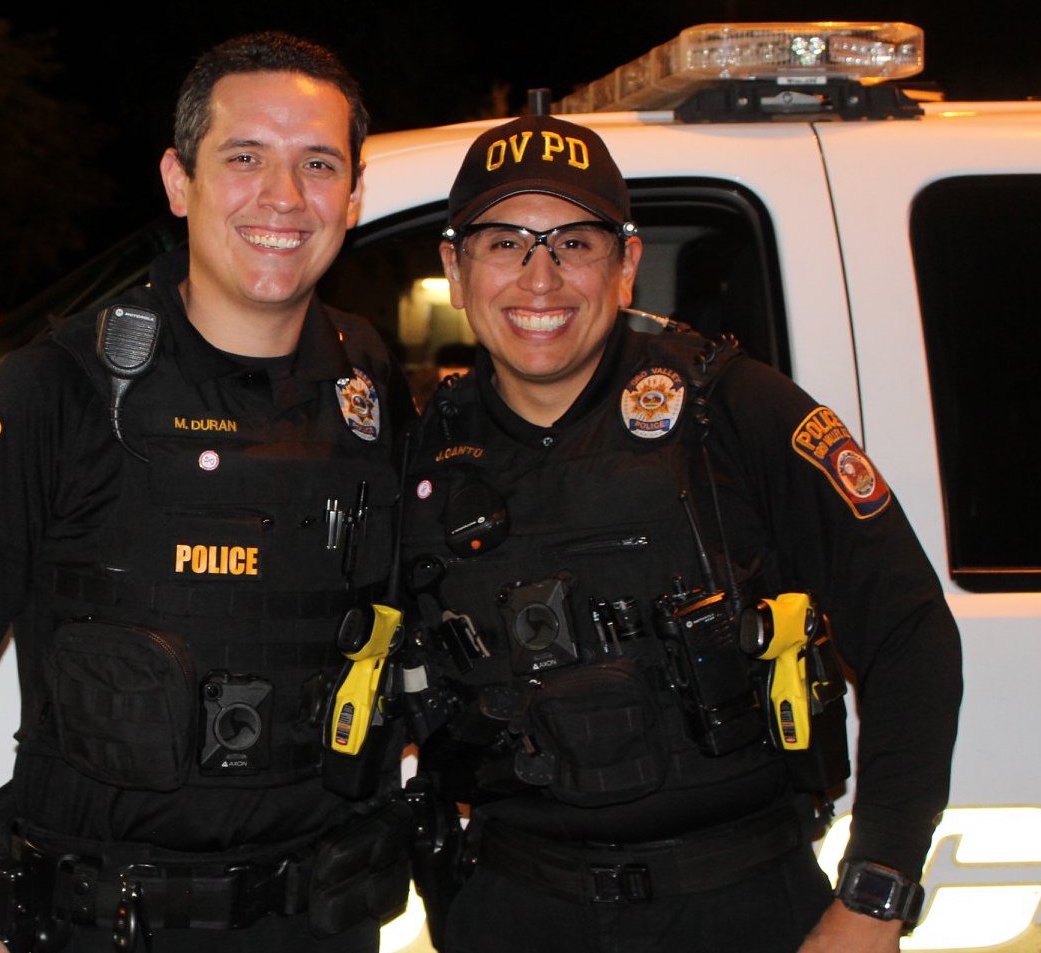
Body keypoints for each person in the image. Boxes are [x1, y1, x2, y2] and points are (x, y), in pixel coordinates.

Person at [0, 32, 412, 953]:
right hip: (100, 923)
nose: (283, 198)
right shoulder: (57, 387)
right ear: (179, 181)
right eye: (244, 157)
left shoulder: (366, 376)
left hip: (317, 920)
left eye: (317, 164)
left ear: (355, 195)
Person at [401, 114, 961, 953]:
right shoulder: (417, 455)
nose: (540, 278)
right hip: (514, 909)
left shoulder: (733, 410)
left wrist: (874, 896)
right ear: (455, 264)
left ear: (625, 263)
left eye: (574, 243)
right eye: (505, 242)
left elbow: (911, 631)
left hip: (744, 906)